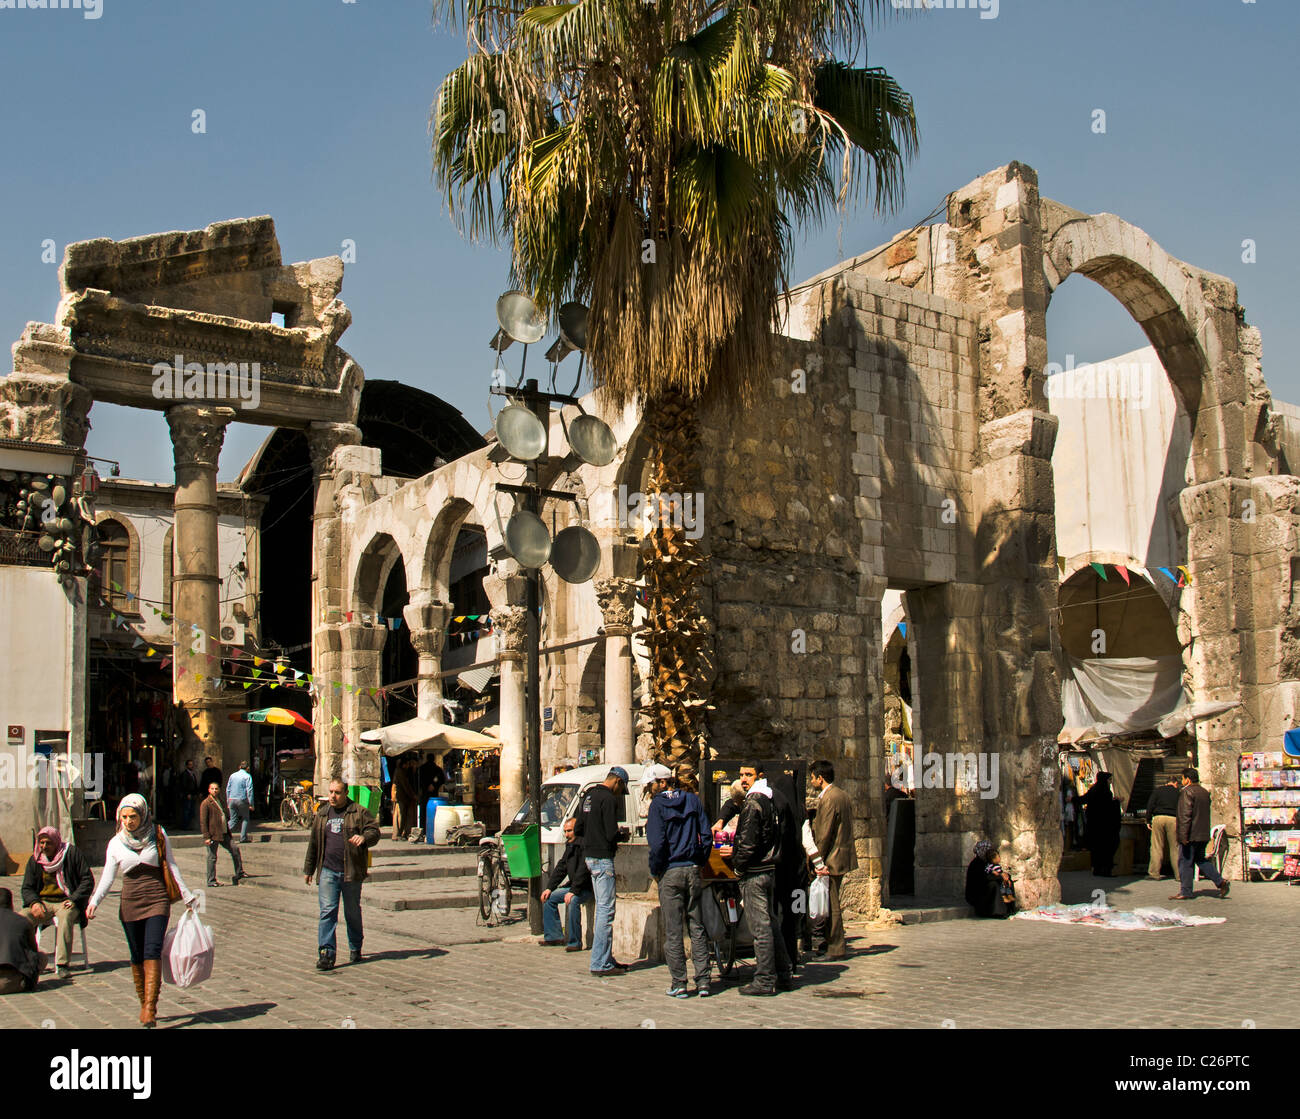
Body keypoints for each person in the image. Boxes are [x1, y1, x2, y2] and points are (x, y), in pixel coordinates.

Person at [86, 793, 198, 1027]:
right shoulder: (116, 843)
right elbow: (108, 877)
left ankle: (150, 1008)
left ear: (143, 814)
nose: (129, 821)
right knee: (137, 955)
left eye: (133, 816)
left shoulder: (157, 834)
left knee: (152, 950)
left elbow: (172, 865)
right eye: (125, 817)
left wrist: (187, 895)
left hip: (157, 898)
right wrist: (94, 901)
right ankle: (143, 1000)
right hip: (130, 902)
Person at [644, 762, 713, 998]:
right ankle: (704, 981)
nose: (649, 790)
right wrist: (699, 861)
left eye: (651, 784)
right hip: (693, 869)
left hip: (671, 871)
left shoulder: (658, 806)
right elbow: (706, 834)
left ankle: (680, 983)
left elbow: (657, 844)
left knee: (674, 930)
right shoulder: (692, 800)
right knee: (697, 926)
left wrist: (657, 870)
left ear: (662, 782)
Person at [304, 778, 380, 970]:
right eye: (330, 792)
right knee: (327, 911)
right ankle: (326, 953)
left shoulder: (358, 812)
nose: (332, 796)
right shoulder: (322, 814)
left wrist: (364, 837)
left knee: (352, 912)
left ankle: (355, 947)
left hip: (351, 871)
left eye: (337, 792)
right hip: (328, 870)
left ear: (345, 793)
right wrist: (309, 869)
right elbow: (314, 843)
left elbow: (374, 831)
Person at [731, 761, 792, 996]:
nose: (744, 779)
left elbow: (747, 841)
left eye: (749, 774)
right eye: (742, 774)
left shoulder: (754, 802)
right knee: (771, 923)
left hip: (755, 872)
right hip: (768, 870)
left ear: (760, 776)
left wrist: (738, 868)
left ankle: (765, 979)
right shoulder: (770, 799)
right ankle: (783, 973)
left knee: (761, 927)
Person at [574, 765, 629, 977]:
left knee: (601, 910)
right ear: (617, 782)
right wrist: (621, 835)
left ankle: (605, 957)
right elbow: (610, 832)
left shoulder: (588, 795)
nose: (619, 794)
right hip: (603, 859)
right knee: (606, 911)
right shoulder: (608, 799)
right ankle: (600, 963)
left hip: (589, 857)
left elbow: (578, 828)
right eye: (620, 789)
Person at [21, 826, 95, 979]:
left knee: (66, 917)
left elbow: (87, 880)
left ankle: (62, 964)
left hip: (66, 901)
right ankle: (25, 960)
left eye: (48, 843)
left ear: (56, 842)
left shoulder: (71, 854)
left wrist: (74, 899)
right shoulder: (36, 859)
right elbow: (27, 887)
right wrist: (34, 902)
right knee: (22, 917)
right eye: (41, 843)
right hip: (43, 902)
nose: (44, 847)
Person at [809, 759, 857, 959]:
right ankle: (830, 943)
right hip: (841, 855)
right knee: (831, 901)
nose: (811, 782)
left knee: (832, 904)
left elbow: (824, 833)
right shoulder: (842, 795)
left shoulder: (829, 798)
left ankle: (836, 947)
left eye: (812, 778)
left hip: (832, 858)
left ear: (820, 778)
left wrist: (817, 861)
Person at [770, 774, 810, 974]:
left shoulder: (779, 810)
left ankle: (779, 960)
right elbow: (808, 842)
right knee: (793, 916)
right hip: (798, 874)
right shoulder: (801, 812)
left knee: (775, 915)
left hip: (780, 873)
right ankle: (793, 958)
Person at [1171, 767, 1230, 901]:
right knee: (1200, 860)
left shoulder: (1187, 792)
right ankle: (1220, 882)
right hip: (1202, 834)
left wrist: (1182, 836)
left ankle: (1186, 891)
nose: (1182, 781)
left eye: (1183, 778)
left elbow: (1185, 816)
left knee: (1185, 862)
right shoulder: (1204, 792)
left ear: (1188, 779)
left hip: (1191, 834)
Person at [540, 817, 593, 952]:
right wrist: (549, 888)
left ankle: (575, 942)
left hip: (585, 888)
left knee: (573, 901)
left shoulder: (584, 845)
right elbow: (561, 868)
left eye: (569, 831)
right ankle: (553, 936)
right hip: (573, 886)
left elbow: (583, 870)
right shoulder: (570, 845)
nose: (566, 834)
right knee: (549, 898)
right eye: (565, 831)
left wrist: (573, 891)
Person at [0, 888, 46, 994]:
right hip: (10, 981)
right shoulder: (23, 921)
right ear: (11, 904)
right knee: (42, 957)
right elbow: (33, 950)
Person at [201, 782, 247, 887]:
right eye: (212, 789)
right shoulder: (206, 803)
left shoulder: (220, 800)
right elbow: (203, 821)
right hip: (213, 834)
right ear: (209, 790)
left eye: (216, 789)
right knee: (212, 857)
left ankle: (239, 872)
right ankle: (211, 880)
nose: (214, 791)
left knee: (234, 849)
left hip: (224, 832)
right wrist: (206, 836)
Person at [1078, 771, 1121, 876]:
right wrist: (1117, 802)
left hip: (1094, 824)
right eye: (1109, 780)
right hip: (1105, 826)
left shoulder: (1094, 789)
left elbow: (1084, 799)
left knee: (1096, 848)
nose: (1110, 782)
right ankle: (1105, 870)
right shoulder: (1106, 792)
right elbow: (1107, 808)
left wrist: (1073, 799)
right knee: (1107, 847)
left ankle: (1097, 869)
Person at [964, 840, 1017, 918]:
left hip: (985, 887)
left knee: (1008, 882)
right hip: (977, 893)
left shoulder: (988, 862)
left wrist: (1005, 877)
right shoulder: (976, 864)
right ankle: (997, 912)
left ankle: (1009, 909)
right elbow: (983, 879)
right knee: (993, 885)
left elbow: (998, 872)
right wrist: (1000, 877)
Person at [1145, 775, 1181, 879]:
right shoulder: (1178, 793)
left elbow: (1150, 805)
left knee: (1156, 846)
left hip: (1158, 818)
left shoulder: (1158, 790)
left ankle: (1154, 873)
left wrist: (1148, 819)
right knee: (1175, 847)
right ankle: (1179, 875)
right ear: (1175, 783)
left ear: (1166, 783)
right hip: (1173, 819)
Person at [226, 762, 255, 843]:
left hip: (232, 799)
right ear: (247, 768)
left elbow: (228, 789)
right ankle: (243, 838)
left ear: (239, 767)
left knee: (233, 820)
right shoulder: (247, 776)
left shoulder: (232, 775)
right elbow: (249, 790)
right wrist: (251, 803)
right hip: (242, 800)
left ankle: (222, 832)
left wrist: (228, 801)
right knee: (245, 818)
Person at [393, 755, 418, 840]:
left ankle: (401, 833)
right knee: (401, 816)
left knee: (403, 815)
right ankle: (399, 834)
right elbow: (405, 785)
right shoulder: (400, 772)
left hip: (403, 797)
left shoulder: (404, 771)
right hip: (402, 797)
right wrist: (413, 795)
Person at [178, 759, 200, 830]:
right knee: (186, 810)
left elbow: (194, 784)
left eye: (192, 764)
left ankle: (188, 825)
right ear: (187, 765)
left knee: (191, 810)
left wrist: (196, 793)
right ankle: (185, 826)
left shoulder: (192, 774)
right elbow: (184, 785)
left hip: (193, 794)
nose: (191, 766)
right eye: (190, 764)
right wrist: (187, 793)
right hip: (187, 795)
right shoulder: (185, 774)